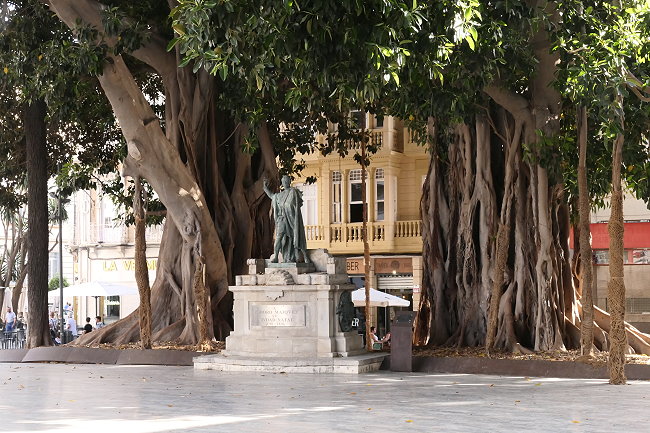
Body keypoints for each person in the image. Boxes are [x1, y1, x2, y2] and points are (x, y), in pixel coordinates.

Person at [263, 175, 311, 264]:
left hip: (292, 219)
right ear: (282, 183)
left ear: (289, 182)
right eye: (283, 181)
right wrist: (265, 188)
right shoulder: (280, 195)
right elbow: (272, 196)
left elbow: (295, 204)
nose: (285, 182)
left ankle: (305, 256)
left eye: (286, 181)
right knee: (278, 238)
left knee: (297, 236)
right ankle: (276, 256)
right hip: (282, 220)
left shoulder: (293, 192)